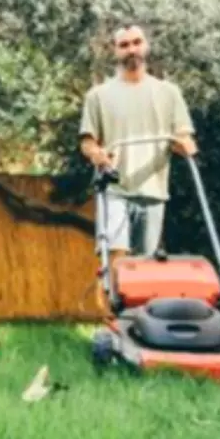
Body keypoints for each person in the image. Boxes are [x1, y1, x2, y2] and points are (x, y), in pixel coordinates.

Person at [78, 23, 198, 311]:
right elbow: (87, 141)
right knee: (115, 255)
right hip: (115, 187)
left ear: (146, 46)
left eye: (136, 42)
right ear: (115, 51)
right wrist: (97, 154)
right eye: (124, 45)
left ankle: (144, 323)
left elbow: (184, 135)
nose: (132, 49)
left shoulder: (169, 93)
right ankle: (112, 321)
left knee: (147, 264)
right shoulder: (98, 95)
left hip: (154, 188)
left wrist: (185, 145)